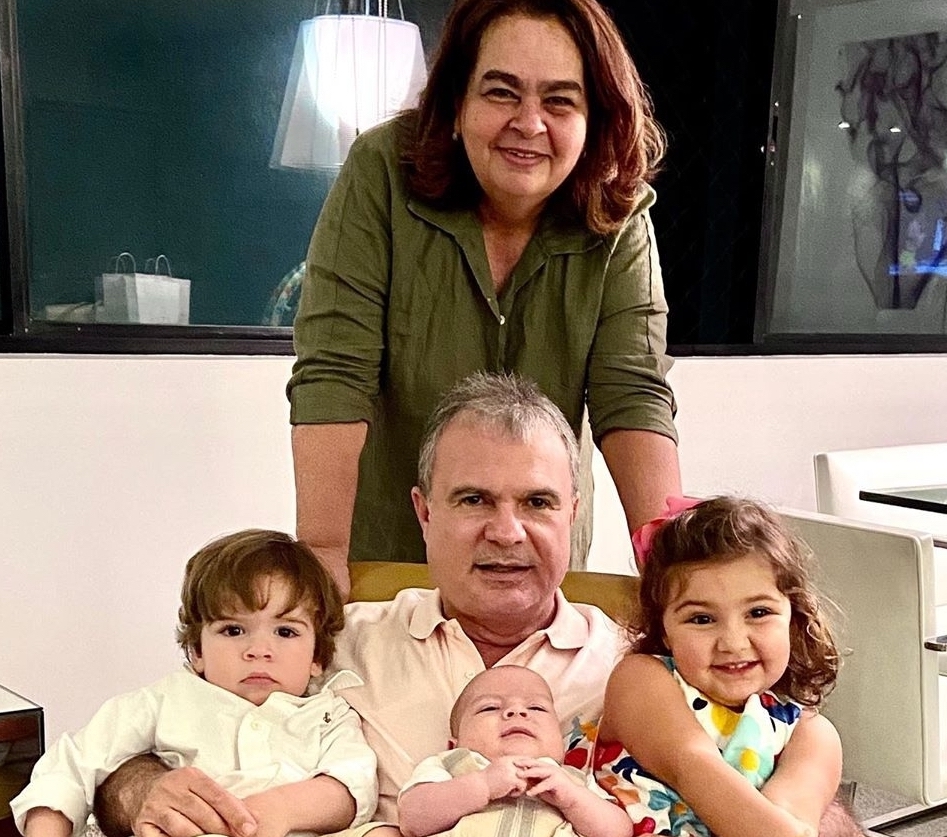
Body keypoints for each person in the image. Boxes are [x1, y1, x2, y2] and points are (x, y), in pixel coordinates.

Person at [93, 375, 861, 837]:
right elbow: (158, 730)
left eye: (537, 501)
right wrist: (139, 788)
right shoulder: (334, 640)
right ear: (423, 512)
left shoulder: (639, 661)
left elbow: (768, 781)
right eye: (473, 499)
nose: (506, 530)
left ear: (571, 513)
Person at [287, 0, 682, 590]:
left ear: (593, 119)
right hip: (391, 562)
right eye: (501, 93)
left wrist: (673, 576)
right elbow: (334, 373)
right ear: (456, 103)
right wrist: (321, 553)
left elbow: (633, 395)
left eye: (560, 101)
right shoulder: (382, 172)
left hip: (538, 575)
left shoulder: (617, 211)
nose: (529, 123)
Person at [15, 530, 377, 837]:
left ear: (317, 657)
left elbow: (352, 785)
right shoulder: (167, 699)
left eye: (285, 632)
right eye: (233, 630)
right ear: (197, 650)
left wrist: (280, 808)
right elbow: (71, 763)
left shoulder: (328, 715)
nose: (259, 650)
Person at [595, 497, 860, 837]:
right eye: (702, 619)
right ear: (664, 630)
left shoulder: (810, 734)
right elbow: (691, 766)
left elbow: (788, 823)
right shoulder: (641, 679)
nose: (733, 643)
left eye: (758, 613)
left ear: (794, 618)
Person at [397, 666, 630, 837]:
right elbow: (412, 819)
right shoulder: (450, 765)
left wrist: (572, 800)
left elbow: (619, 831)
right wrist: (483, 785)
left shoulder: (572, 780)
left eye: (536, 707)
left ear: (561, 743)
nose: (517, 711)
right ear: (454, 745)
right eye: (489, 707)